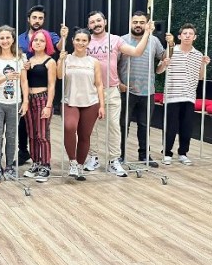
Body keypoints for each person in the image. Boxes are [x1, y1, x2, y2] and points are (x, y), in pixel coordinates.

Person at [84, 10, 154, 177]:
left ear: (105, 22)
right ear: (89, 26)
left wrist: (147, 33)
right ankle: (93, 157)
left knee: (114, 126)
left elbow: (136, 52)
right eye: (92, 22)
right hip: (90, 90)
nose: (96, 24)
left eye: (99, 20)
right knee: (91, 127)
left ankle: (113, 160)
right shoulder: (85, 41)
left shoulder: (115, 40)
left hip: (111, 90)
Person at [118, 11, 173, 168]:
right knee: (123, 125)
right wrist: (119, 84)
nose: (138, 25)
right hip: (126, 90)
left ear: (147, 24)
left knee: (144, 125)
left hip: (148, 91)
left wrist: (171, 45)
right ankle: (120, 155)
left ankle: (144, 155)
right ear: (130, 23)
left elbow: (164, 57)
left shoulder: (154, 40)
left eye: (142, 22)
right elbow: (114, 64)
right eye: (135, 22)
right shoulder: (122, 40)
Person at [16, 5, 62, 167]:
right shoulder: (20, 40)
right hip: (25, 91)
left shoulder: (50, 38)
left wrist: (64, 37)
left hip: (42, 92)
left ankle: (45, 164)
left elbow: (60, 48)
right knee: (28, 129)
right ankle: (28, 156)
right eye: (34, 17)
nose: (37, 21)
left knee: (42, 133)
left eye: (40, 18)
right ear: (28, 19)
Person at [158, 23, 210, 166]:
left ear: (195, 37)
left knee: (186, 127)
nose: (187, 36)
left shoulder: (198, 55)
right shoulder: (170, 51)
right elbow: (158, 71)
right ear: (179, 36)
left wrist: (203, 64)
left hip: (189, 95)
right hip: (172, 95)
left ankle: (183, 153)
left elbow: (200, 77)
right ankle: (167, 153)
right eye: (185, 33)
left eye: (190, 34)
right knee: (170, 126)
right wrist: (165, 63)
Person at [57, 29, 105, 181]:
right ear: (72, 40)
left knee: (85, 135)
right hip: (70, 101)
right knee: (69, 127)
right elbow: (59, 76)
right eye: (78, 40)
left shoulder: (93, 62)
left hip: (90, 102)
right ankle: (72, 162)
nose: (81, 43)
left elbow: (99, 84)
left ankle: (79, 165)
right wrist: (60, 60)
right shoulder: (66, 58)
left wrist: (102, 105)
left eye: (84, 40)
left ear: (89, 42)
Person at [0, 25, 29, 183]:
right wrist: (7, 77)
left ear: (13, 39)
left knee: (11, 136)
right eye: (2, 38)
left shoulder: (20, 58)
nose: (5, 41)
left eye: (8, 37)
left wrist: (25, 101)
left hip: (14, 103)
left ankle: (9, 167)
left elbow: (24, 82)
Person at [22, 29, 57, 182]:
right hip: (29, 99)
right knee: (32, 134)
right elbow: (24, 81)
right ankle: (35, 162)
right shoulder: (28, 61)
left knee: (42, 135)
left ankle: (45, 165)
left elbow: (52, 85)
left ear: (47, 43)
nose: (38, 43)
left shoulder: (50, 62)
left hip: (43, 99)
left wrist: (48, 106)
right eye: (36, 40)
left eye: (42, 40)